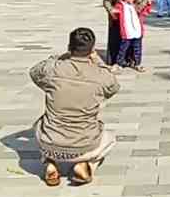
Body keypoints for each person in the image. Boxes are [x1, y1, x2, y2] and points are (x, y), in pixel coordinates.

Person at [29, 28, 120, 187]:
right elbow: (113, 87)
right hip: (84, 145)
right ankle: (86, 166)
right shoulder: (101, 75)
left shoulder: (53, 69)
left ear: (69, 46)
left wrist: (60, 58)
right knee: (110, 137)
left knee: (39, 124)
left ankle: (50, 163)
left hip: (50, 144)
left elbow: (34, 72)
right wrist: (98, 61)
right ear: (92, 49)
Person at [103, 0, 151, 66]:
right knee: (116, 37)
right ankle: (116, 60)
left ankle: (133, 59)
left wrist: (141, 6)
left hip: (133, 14)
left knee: (133, 36)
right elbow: (106, 0)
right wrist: (111, 10)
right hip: (118, 16)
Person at [111, 0, 149, 73]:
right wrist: (114, 12)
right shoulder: (121, 5)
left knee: (137, 49)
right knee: (123, 49)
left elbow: (144, 12)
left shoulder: (134, 6)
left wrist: (148, 4)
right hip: (127, 32)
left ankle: (137, 63)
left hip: (137, 31)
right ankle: (119, 63)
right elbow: (115, 14)